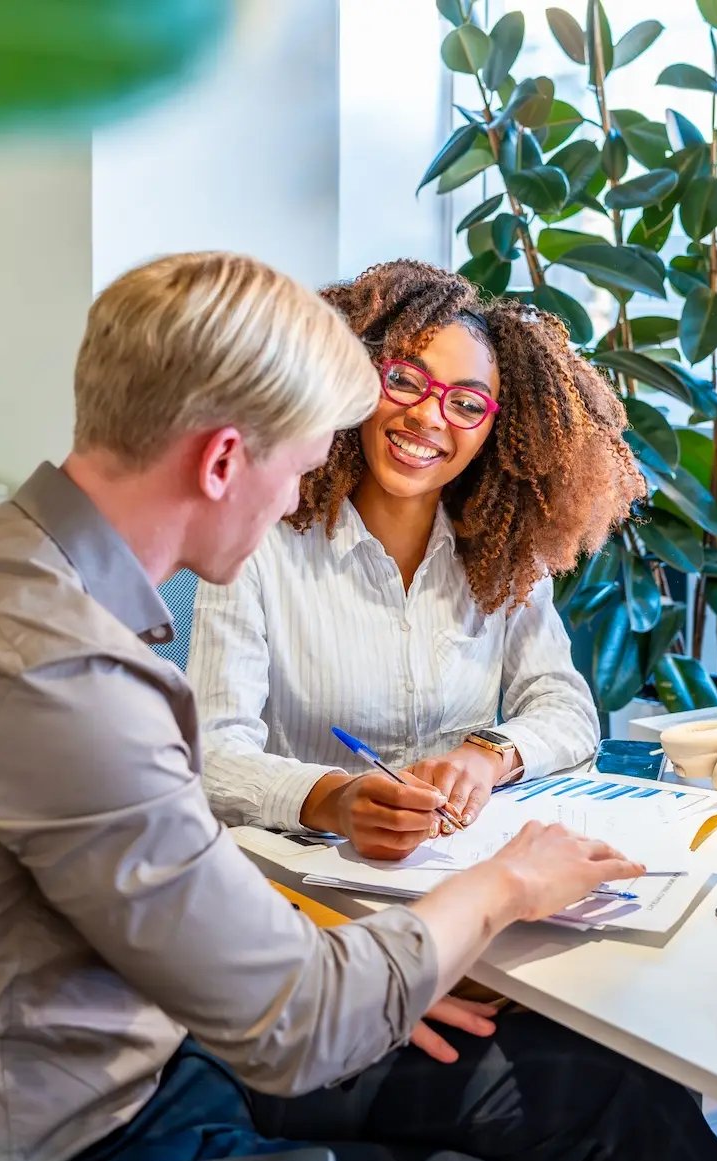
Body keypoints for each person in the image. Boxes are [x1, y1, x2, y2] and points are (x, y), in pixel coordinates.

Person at [0, 251, 717, 1161]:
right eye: (301, 464)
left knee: (605, 1091)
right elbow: (300, 1025)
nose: (298, 498)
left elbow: (187, 911)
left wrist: (385, 966)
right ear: (223, 461)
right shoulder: (68, 673)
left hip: (129, 1041)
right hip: (90, 1153)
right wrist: (501, 887)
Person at [191, 260, 646, 859]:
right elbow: (211, 753)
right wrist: (334, 800)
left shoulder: (503, 555)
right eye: (405, 380)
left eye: (467, 404)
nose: (428, 416)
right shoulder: (258, 543)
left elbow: (566, 709)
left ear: (498, 431)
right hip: (298, 876)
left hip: (458, 869)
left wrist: (487, 755)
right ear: (353, 379)